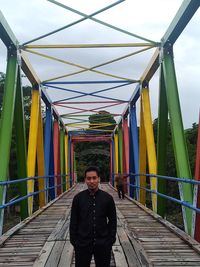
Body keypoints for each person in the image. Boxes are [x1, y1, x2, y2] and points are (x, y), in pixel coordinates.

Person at [69, 166, 117, 267]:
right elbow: (73, 221)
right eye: (89, 178)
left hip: (103, 243)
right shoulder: (78, 198)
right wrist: (74, 241)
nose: (91, 181)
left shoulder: (108, 198)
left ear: (99, 179)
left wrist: (110, 240)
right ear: (85, 180)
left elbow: (113, 221)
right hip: (82, 243)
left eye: (94, 178)